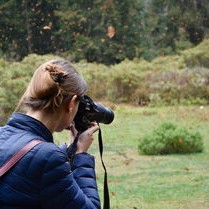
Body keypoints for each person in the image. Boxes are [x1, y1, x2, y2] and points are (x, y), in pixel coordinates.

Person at [0, 60, 101, 209]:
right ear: (72, 103)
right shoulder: (48, 158)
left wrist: (69, 150)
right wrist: (81, 155)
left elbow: (26, 166)